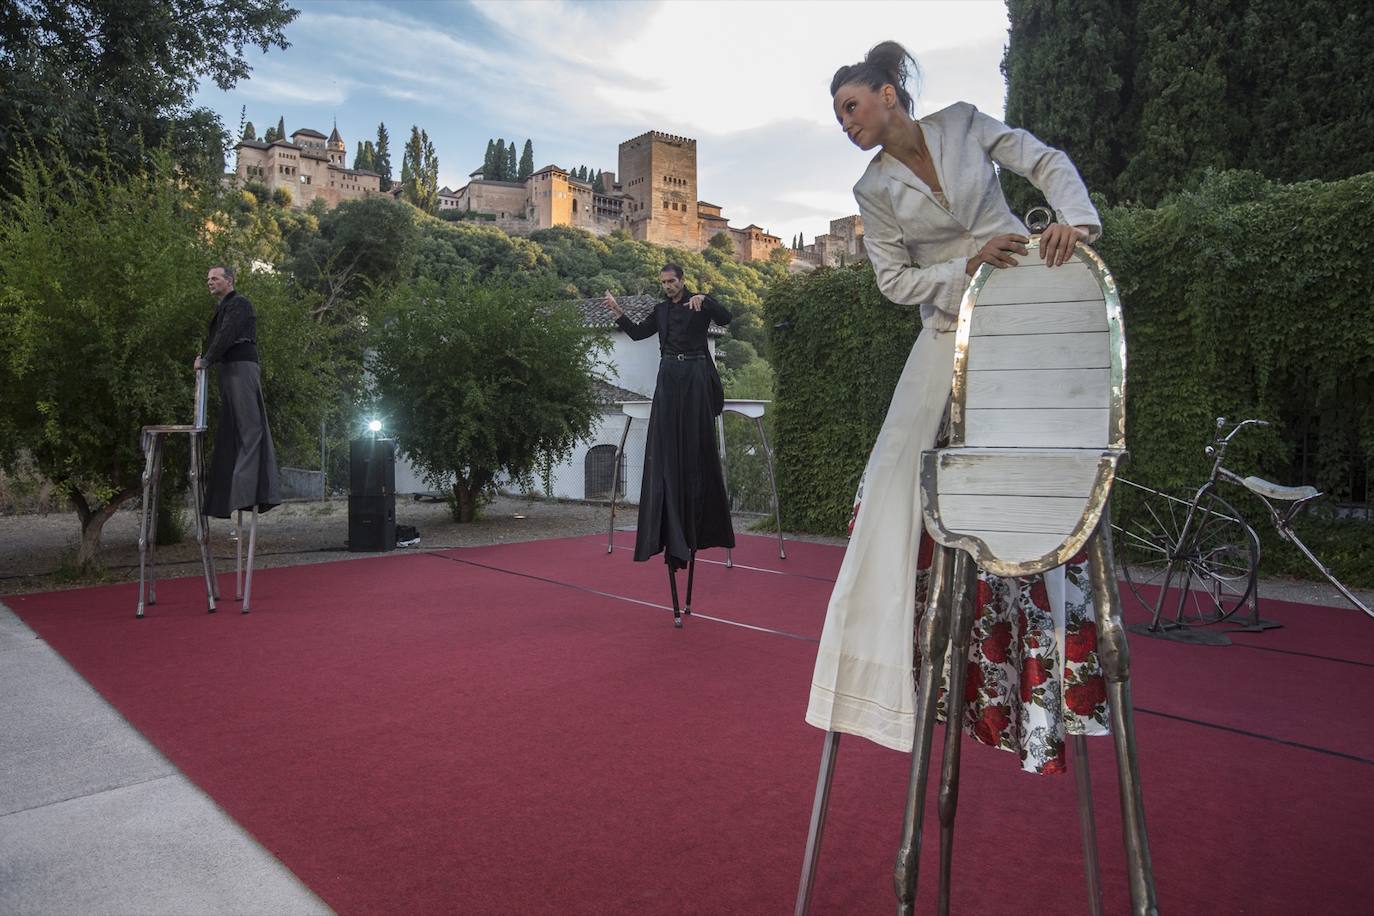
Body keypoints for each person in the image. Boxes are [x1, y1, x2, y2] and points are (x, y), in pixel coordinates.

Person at [805, 41, 1110, 774]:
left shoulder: (966, 124)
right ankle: (873, 679)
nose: (846, 122)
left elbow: (1042, 158)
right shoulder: (871, 191)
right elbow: (893, 281)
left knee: (1037, 485)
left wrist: (1073, 222)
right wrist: (961, 266)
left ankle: (1048, 671)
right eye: (840, 115)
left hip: (1023, 310)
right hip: (947, 328)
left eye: (852, 106)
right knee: (890, 483)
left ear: (887, 94)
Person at [603, 265, 735, 628]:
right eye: (663, 284)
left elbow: (727, 317)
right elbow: (639, 333)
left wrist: (706, 299)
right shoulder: (660, 311)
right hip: (668, 377)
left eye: (671, 282)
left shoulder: (698, 304)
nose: (667, 288)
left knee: (695, 447)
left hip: (694, 374)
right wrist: (618, 312)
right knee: (665, 449)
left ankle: (695, 521)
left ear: (681, 280)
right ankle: (671, 526)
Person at [195, 266, 281, 521]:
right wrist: (206, 358)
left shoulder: (240, 303)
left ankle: (247, 492)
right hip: (231, 369)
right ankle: (237, 492)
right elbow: (219, 336)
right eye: (208, 278)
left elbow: (228, 334)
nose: (209, 282)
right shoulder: (224, 307)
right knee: (237, 428)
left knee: (250, 429)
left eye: (215, 278)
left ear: (229, 280)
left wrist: (207, 360)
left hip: (241, 367)